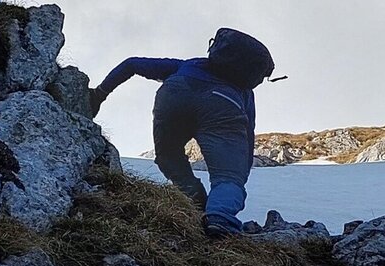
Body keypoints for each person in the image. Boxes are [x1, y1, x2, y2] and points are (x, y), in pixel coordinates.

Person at [89, 28, 281, 237]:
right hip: (224, 103)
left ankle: (195, 202)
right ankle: (219, 218)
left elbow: (131, 64)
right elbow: (248, 130)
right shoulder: (244, 91)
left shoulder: (188, 64)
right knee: (228, 179)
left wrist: (100, 94)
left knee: (169, 156)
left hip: (175, 92)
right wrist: (239, 173)